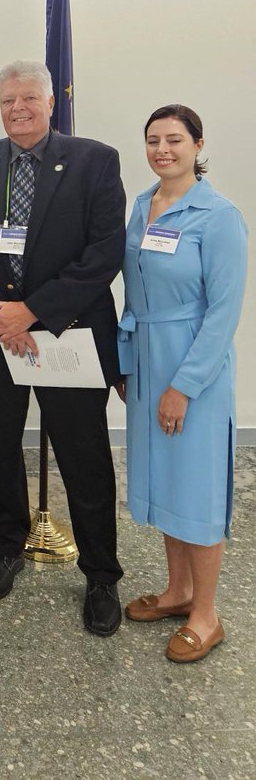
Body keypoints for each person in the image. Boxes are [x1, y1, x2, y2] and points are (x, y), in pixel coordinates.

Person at [0, 61, 126, 636]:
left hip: (68, 333)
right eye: (8, 100)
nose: (18, 108)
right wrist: (3, 316)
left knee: (84, 456)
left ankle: (100, 575)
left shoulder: (95, 160)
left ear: (51, 101)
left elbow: (103, 253)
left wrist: (35, 311)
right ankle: (4, 548)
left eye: (28, 98)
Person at [119, 104, 247, 663]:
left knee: (195, 486)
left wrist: (184, 385)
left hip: (193, 366)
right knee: (165, 482)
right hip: (147, 362)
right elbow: (135, 290)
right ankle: (177, 592)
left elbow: (224, 313)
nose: (162, 149)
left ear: (198, 144)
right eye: (153, 140)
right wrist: (127, 359)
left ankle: (206, 614)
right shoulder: (143, 205)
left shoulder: (218, 216)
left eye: (174, 139)